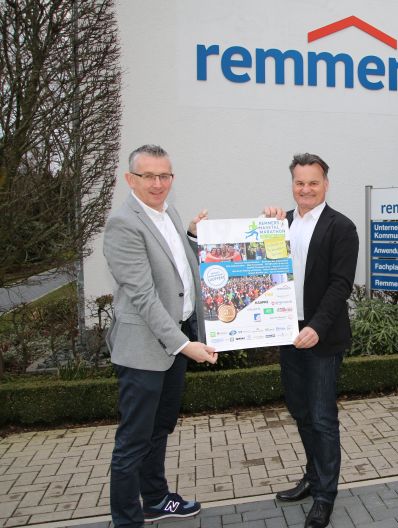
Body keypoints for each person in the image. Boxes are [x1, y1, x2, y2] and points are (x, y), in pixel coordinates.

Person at [104, 144, 218, 527]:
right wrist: (185, 346)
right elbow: (144, 296)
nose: (158, 184)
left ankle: (154, 500)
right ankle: (127, 519)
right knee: (133, 441)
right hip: (145, 350)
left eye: (164, 175)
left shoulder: (168, 213)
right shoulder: (125, 223)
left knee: (160, 429)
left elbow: (176, 269)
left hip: (173, 343)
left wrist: (189, 235)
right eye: (148, 176)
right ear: (130, 179)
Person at [264, 153, 359, 528]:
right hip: (288, 331)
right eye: (299, 183)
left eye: (313, 183)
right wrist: (263, 227)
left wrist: (316, 326)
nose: (305, 189)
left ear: (326, 184)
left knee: (322, 417)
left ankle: (325, 495)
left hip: (322, 335)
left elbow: (340, 285)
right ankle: (313, 475)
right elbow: (257, 266)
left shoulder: (342, 227)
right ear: (292, 184)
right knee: (300, 411)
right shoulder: (281, 223)